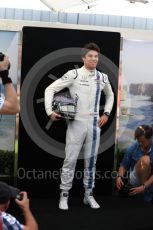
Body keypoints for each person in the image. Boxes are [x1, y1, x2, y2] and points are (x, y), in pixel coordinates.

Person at [44, 42, 114, 210]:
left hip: (94, 124)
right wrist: (49, 111)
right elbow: (50, 89)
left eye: (96, 56)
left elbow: (110, 95)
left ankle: (88, 194)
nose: (94, 59)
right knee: (70, 160)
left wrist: (107, 113)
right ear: (84, 58)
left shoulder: (102, 77)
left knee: (91, 161)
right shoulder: (74, 74)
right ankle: (64, 195)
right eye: (90, 56)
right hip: (76, 124)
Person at [116, 125, 153, 202]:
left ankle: (145, 189)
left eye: (142, 141)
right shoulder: (133, 148)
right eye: (138, 141)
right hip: (136, 178)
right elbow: (123, 165)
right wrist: (119, 176)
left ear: (149, 138)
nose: (140, 143)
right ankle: (144, 194)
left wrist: (145, 186)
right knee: (145, 160)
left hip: (150, 178)